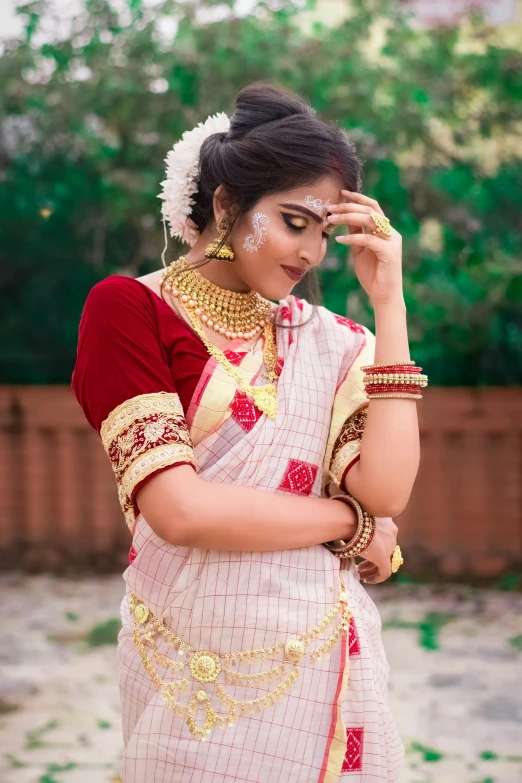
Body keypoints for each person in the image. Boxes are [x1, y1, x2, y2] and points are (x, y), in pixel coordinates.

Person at [71, 82, 423, 782]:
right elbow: (182, 511)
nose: (314, 252)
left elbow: (387, 488)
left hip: (325, 662)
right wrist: (350, 526)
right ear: (228, 204)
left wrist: (391, 300)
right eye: (296, 221)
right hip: (191, 669)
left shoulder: (332, 341)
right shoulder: (130, 310)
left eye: (325, 231)